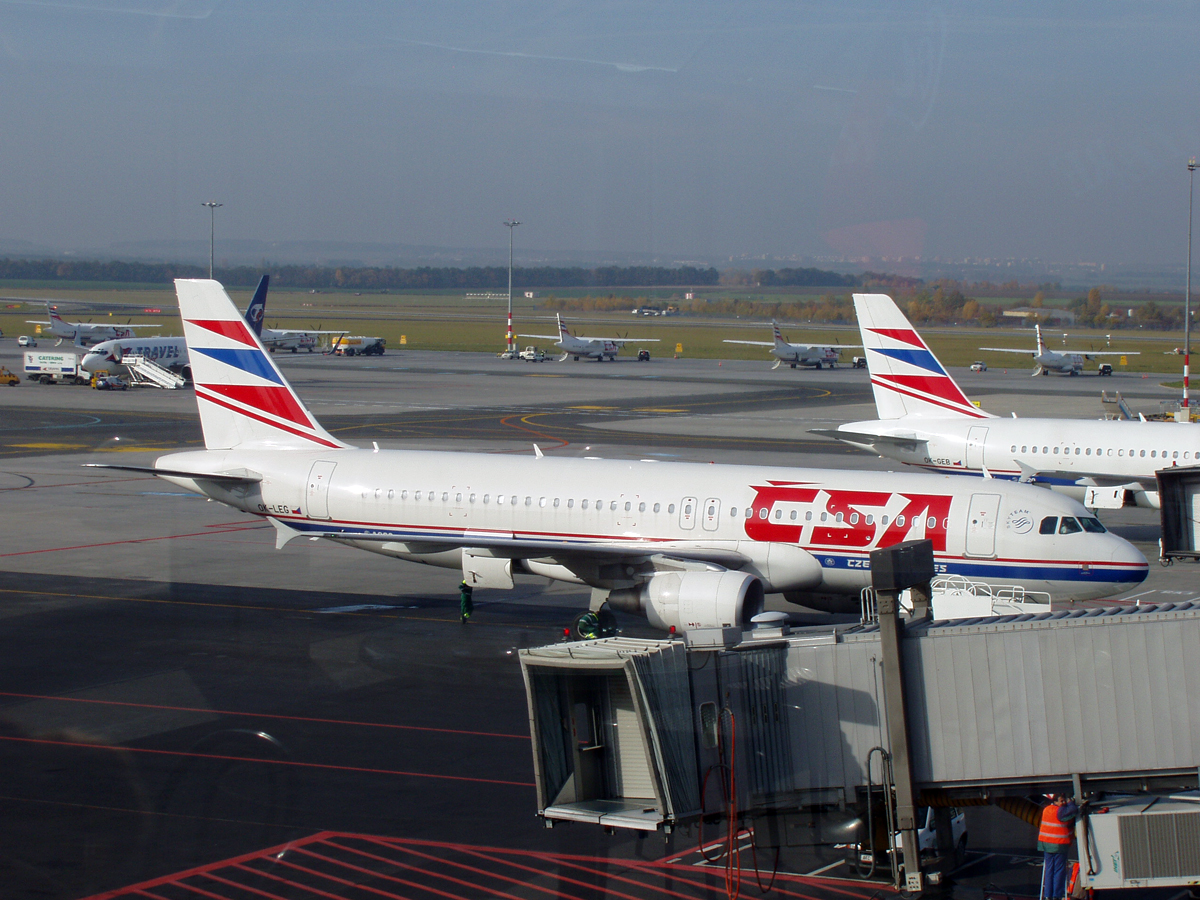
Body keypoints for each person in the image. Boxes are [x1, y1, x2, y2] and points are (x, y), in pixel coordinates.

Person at [1038, 793, 1078, 900]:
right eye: (1061, 801)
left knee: (1049, 870)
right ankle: (1057, 895)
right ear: (1055, 802)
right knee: (1059, 870)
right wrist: (1070, 802)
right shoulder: (1060, 811)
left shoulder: (1046, 809)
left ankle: (1047, 895)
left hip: (1046, 844)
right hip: (1059, 845)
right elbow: (1073, 810)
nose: (1063, 802)